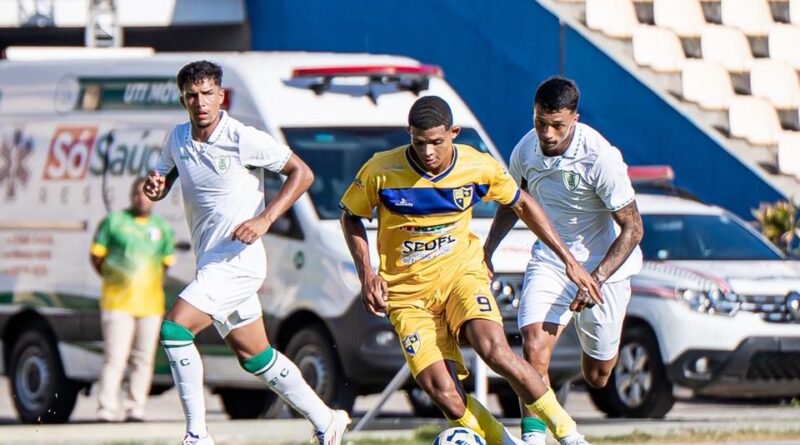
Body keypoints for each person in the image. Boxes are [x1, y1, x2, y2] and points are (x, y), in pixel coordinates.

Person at [339, 95, 600, 445]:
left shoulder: (478, 166)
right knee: (441, 390)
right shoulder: (380, 170)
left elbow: (521, 203)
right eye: (419, 142)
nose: (428, 152)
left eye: (436, 142)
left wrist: (569, 261)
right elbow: (351, 215)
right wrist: (367, 274)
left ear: (454, 133)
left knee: (493, 349)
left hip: (461, 276)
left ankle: (570, 436)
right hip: (407, 294)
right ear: (409, 134)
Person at [143, 60, 349, 445]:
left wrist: (266, 219)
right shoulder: (177, 138)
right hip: (212, 261)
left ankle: (197, 436)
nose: (200, 102)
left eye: (207, 94)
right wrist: (154, 187)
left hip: (238, 261)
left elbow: (302, 173)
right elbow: (161, 182)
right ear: (183, 99)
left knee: (174, 329)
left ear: (221, 96)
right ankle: (327, 420)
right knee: (255, 356)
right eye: (192, 96)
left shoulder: (242, 137)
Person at [483, 76, 644, 445]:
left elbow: (633, 229)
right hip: (552, 261)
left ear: (574, 118)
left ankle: (595, 355)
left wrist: (597, 278)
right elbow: (513, 203)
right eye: (541, 122)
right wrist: (487, 250)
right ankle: (535, 439)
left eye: (558, 125)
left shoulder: (599, 157)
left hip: (605, 268)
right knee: (533, 344)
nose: (549, 133)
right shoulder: (525, 150)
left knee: (598, 374)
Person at [91, 177, 175, 423]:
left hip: (150, 305)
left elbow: (165, 263)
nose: (142, 198)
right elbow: (97, 257)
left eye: (146, 194)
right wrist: (115, 278)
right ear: (131, 196)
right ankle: (106, 408)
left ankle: (135, 408)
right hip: (117, 303)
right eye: (137, 194)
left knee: (143, 359)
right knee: (115, 357)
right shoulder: (114, 222)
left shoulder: (161, 227)